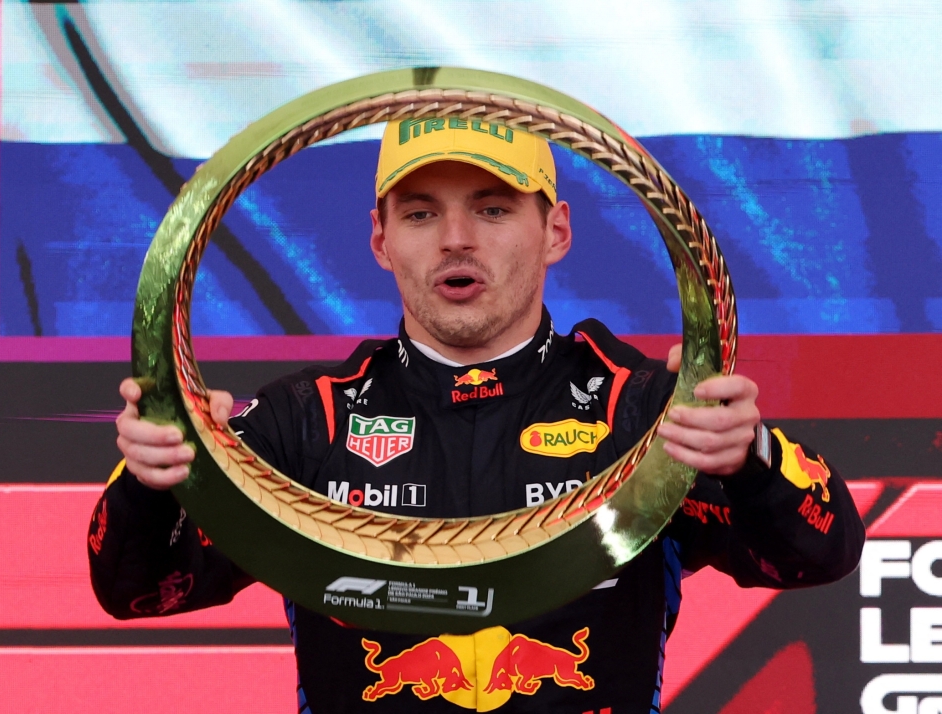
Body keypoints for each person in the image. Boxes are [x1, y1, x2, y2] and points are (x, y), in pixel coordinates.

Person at [90, 118, 865, 713]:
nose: (457, 240)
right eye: (422, 214)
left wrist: (751, 456)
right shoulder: (304, 422)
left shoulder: (643, 408)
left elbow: (818, 556)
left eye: (492, 209)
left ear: (555, 230)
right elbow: (133, 589)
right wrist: (155, 478)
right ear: (380, 238)